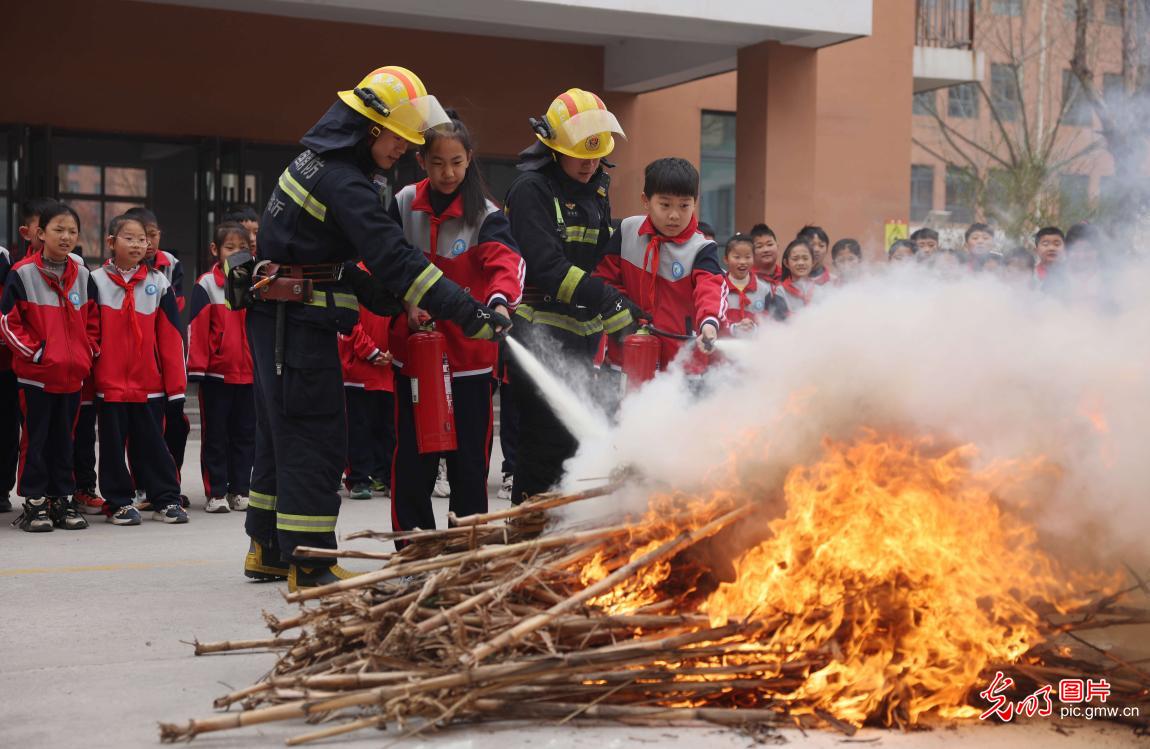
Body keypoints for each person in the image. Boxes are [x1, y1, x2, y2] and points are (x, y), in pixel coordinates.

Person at [241, 66, 509, 590]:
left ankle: (269, 549)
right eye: (402, 139)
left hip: (280, 318)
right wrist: (464, 310)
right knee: (314, 438)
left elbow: (327, 262)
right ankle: (310, 562)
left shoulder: (321, 160)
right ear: (371, 127)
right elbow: (394, 257)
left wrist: (383, 299)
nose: (406, 150)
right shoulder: (345, 181)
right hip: (296, 325)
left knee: (279, 437)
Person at [389, 111, 524, 534]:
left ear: (470, 159)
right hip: (415, 355)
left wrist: (500, 305)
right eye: (437, 163)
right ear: (421, 161)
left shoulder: (486, 215)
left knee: (469, 463)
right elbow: (380, 262)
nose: (447, 173)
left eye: (456, 163)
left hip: (470, 361)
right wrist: (408, 304)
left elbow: (508, 263)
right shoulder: (402, 203)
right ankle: (413, 549)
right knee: (413, 460)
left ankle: (468, 551)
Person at [503, 87, 634, 505]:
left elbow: (595, 261)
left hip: (581, 336)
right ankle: (525, 534)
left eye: (597, 155)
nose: (591, 163)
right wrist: (607, 300)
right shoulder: (531, 190)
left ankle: (557, 540)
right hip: (537, 332)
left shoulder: (596, 188)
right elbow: (546, 266)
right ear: (553, 148)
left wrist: (621, 313)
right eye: (581, 154)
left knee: (573, 444)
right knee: (544, 439)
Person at [0, 202, 96, 532]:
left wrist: (86, 353)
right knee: (35, 439)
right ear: (40, 234)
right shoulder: (22, 273)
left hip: (72, 378)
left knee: (64, 440)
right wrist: (39, 355)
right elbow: (9, 323)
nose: (66, 236)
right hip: (36, 378)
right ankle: (35, 502)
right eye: (58, 230)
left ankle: (62, 499)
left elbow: (94, 323)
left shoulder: (83, 275)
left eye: (72, 231)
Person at [90, 214, 188, 526]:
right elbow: (89, 333)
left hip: (150, 384)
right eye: (129, 238)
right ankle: (118, 502)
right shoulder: (95, 281)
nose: (137, 244)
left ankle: (166, 499)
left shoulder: (159, 283)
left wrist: (175, 387)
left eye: (142, 239)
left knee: (154, 445)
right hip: (110, 383)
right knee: (112, 446)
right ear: (111, 242)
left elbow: (172, 338)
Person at [595, 158, 725, 374]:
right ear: (646, 200)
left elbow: (711, 289)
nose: (674, 215)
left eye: (684, 205)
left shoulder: (702, 248)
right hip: (627, 358)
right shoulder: (627, 230)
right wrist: (624, 312)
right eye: (665, 205)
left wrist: (709, 324)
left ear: (695, 202)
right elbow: (604, 279)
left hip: (681, 367)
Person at [187, 223, 255, 514]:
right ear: (215, 250)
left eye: (243, 248)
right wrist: (198, 369)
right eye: (230, 247)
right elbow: (198, 330)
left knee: (245, 436)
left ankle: (239, 490)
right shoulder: (206, 285)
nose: (237, 253)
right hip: (216, 375)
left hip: (249, 374)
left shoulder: (257, 285)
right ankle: (215, 491)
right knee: (215, 436)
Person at [338, 263, 395, 501]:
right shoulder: (354, 272)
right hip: (358, 371)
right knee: (358, 429)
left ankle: (385, 476)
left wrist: (393, 352)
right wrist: (371, 351)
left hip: (388, 370)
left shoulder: (394, 270)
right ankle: (359, 479)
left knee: (387, 428)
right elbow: (349, 322)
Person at [724, 233, 784, 333]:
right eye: (737, 257)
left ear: (754, 258)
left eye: (747, 257)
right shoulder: (719, 288)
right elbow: (716, 320)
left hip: (755, 346)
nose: (743, 262)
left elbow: (770, 322)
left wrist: (755, 328)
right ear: (726, 259)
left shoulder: (764, 290)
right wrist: (734, 328)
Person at [777, 238, 818, 313]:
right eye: (795, 259)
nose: (801, 263)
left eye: (805, 258)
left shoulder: (820, 290)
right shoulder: (780, 292)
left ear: (813, 262)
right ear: (786, 263)